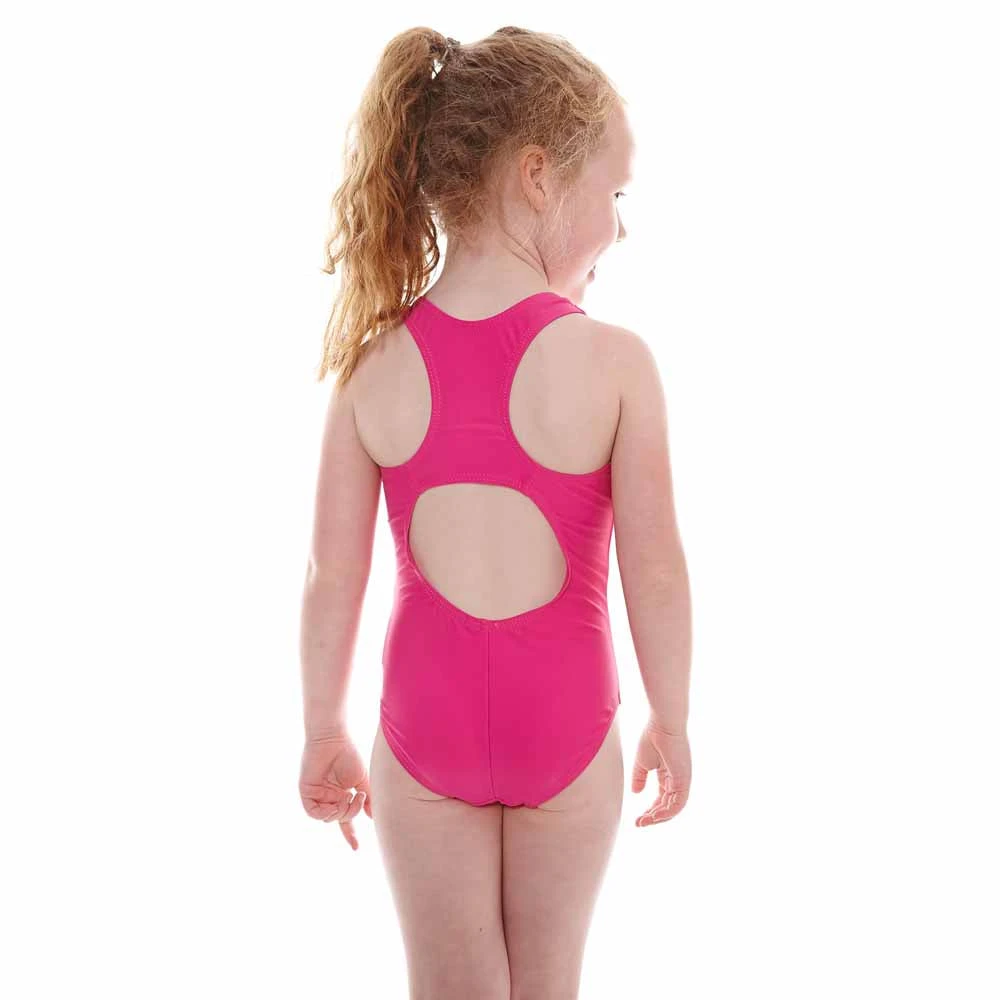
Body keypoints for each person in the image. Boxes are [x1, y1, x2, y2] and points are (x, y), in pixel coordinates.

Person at [298, 26, 692, 999]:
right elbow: (654, 568)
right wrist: (671, 716)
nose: (621, 228)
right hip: (565, 728)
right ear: (537, 177)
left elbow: (332, 574)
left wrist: (322, 726)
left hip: (421, 730)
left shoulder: (371, 363)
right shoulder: (615, 363)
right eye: (615, 195)